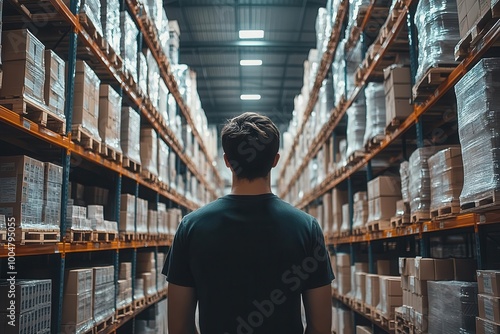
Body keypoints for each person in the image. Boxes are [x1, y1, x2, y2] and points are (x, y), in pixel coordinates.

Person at [162, 112, 334, 334]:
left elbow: (179, 328)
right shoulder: (306, 228)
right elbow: (320, 328)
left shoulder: (191, 227)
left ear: (227, 161)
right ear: (275, 160)